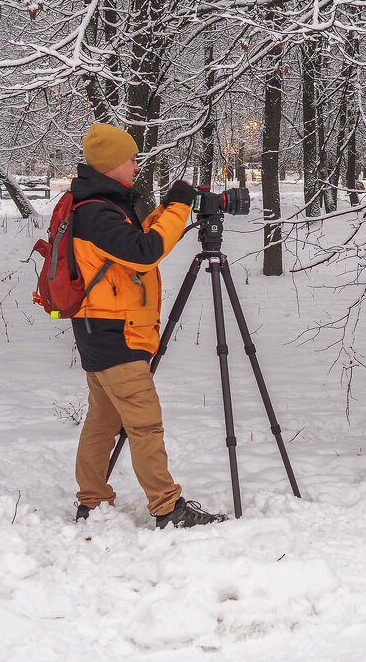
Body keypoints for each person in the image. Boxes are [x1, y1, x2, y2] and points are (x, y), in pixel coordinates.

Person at [70, 123, 227, 529]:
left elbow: (131, 242)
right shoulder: (96, 212)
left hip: (101, 331)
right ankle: (166, 506)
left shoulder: (100, 204)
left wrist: (166, 208)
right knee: (144, 425)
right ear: (111, 165)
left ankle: (93, 500)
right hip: (114, 335)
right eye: (131, 158)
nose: (136, 164)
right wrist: (178, 208)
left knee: (102, 422)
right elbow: (144, 253)